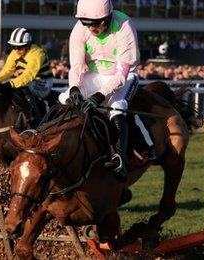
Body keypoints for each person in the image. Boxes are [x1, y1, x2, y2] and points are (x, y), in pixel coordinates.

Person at [58, 0, 156, 182]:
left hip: (124, 77)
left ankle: (120, 158)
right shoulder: (80, 28)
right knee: (65, 98)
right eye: (86, 23)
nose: (91, 28)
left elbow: (120, 75)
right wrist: (74, 89)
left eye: (95, 23)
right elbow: (77, 66)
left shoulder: (124, 26)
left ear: (108, 17)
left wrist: (100, 95)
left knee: (117, 106)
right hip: (94, 75)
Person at [0, 28, 57, 127]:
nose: (16, 50)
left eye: (19, 47)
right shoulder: (14, 53)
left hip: (43, 83)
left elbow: (28, 75)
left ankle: (35, 115)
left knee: (21, 85)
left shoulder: (37, 53)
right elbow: (7, 70)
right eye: (14, 47)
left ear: (27, 45)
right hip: (29, 82)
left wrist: (10, 84)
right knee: (13, 86)